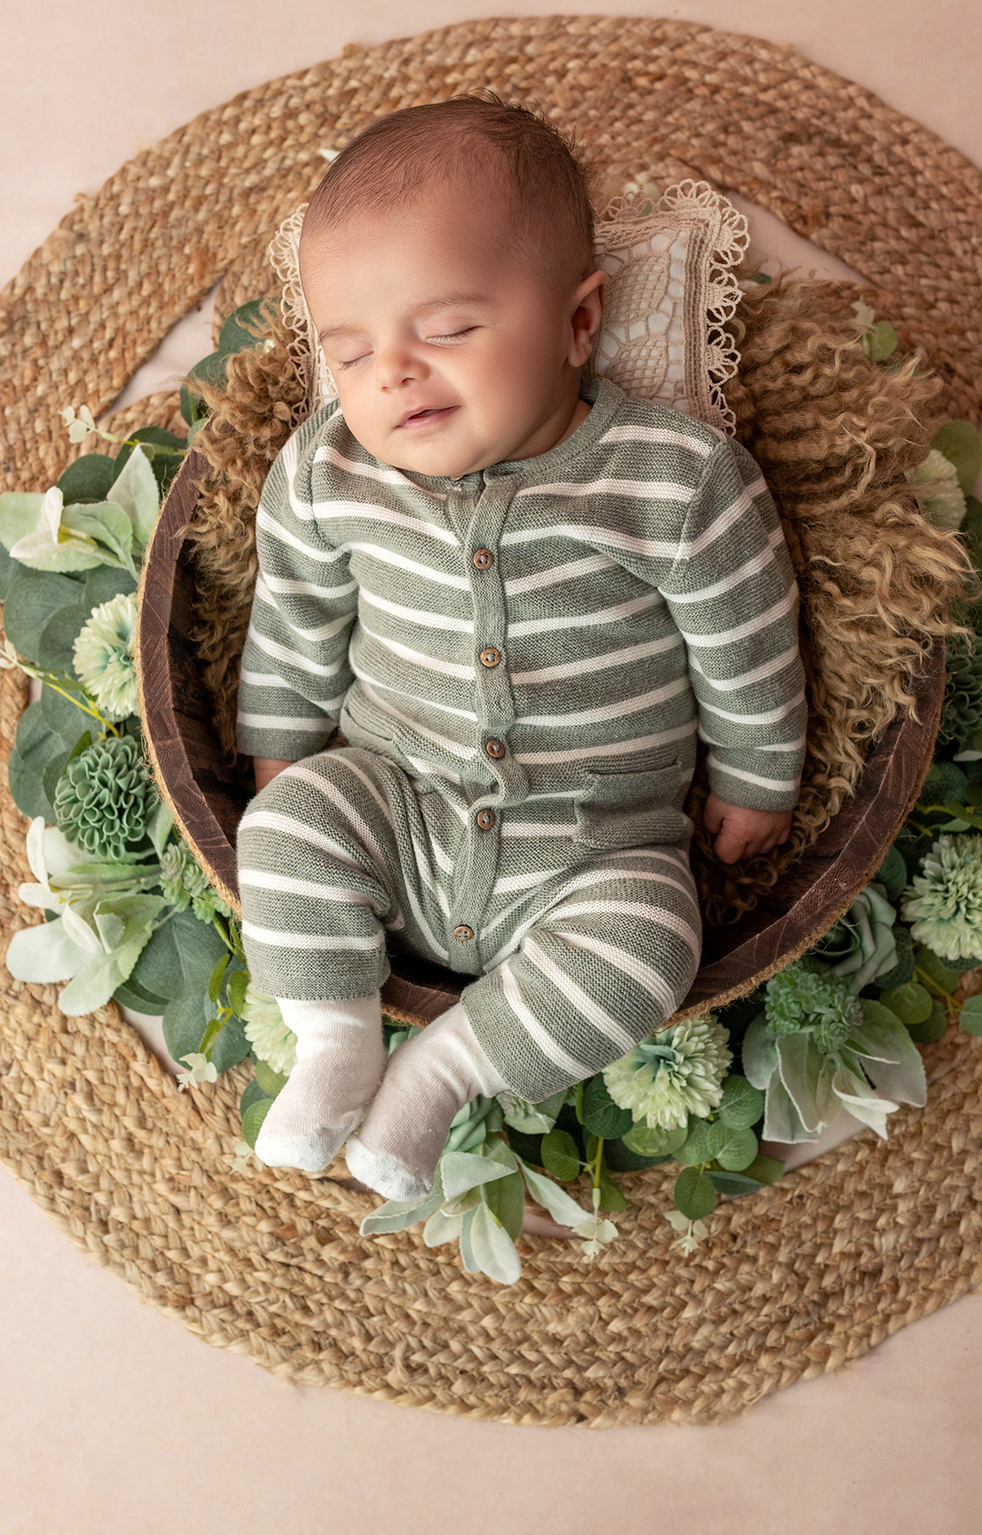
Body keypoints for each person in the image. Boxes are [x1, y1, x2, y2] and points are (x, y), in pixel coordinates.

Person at [234, 97, 806, 1202]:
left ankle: (444, 1074)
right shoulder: (326, 476)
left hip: (592, 850)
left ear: (579, 323)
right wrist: (279, 748)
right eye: (350, 352)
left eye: (445, 331)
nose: (392, 374)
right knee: (289, 828)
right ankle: (335, 1037)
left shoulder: (674, 482)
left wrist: (756, 771)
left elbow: (747, 638)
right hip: (395, 802)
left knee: (655, 938)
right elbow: (294, 618)